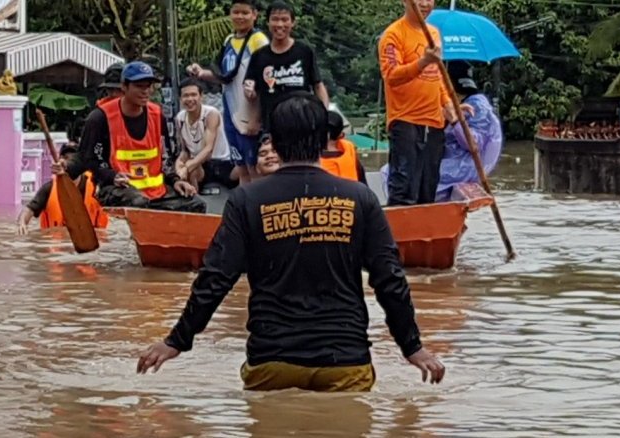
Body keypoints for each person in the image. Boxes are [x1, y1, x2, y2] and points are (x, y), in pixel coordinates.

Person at [137, 92, 445, 392]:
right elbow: (389, 278)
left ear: (277, 142)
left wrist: (177, 340)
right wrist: (412, 346)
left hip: (271, 360)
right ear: (325, 141)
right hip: (345, 361)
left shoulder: (247, 200)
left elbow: (216, 277)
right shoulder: (360, 199)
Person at [59, 61, 205, 213]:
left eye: (148, 86)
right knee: (138, 203)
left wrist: (175, 180)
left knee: (195, 203)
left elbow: (165, 157)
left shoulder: (157, 115)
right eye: (139, 86)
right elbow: (89, 158)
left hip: (156, 192)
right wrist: (111, 176)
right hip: (117, 189)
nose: (145, 91)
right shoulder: (100, 118)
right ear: (124, 87)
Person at [378, 0, 469, 206]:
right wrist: (422, 62)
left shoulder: (434, 34)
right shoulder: (393, 35)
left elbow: (436, 77)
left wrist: (449, 104)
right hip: (405, 119)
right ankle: (401, 235)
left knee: (428, 187)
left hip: (434, 121)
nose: (426, 4)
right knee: (404, 186)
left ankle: (427, 236)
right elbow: (391, 76)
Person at [380, 61, 500, 202]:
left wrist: (455, 121)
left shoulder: (477, 106)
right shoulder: (453, 105)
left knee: (393, 174)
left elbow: (474, 144)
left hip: (463, 167)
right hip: (451, 162)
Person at [187, 0, 269, 185]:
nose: (240, 17)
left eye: (245, 13)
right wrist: (201, 73)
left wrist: (257, 115)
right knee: (242, 168)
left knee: (255, 167)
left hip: (250, 115)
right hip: (231, 114)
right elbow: (225, 76)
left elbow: (266, 76)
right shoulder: (229, 41)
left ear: (254, 15)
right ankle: (245, 209)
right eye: (236, 12)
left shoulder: (259, 40)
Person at [244, 0, 330, 132]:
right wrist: (253, 119)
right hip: (271, 126)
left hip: (302, 122)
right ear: (267, 22)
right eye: (275, 19)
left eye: (285, 20)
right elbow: (254, 93)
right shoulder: (259, 56)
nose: (280, 24)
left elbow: (318, 85)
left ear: (293, 23)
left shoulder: (304, 51)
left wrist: (324, 116)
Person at [17, 144, 108, 234]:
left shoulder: (97, 187)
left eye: (73, 159)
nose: (66, 162)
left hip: (93, 241)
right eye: (64, 157)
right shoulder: (48, 189)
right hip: (56, 244)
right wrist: (22, 223)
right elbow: (29, 209)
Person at [174, 78, 238, 191]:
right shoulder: (180, 118)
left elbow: (208, 150)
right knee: (185, 169)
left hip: (221, 163)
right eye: (186, 96)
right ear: (180, 98)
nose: (190, 99)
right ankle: (193, 200)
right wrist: (179, 164)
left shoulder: (211, 113)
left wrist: (187, 167)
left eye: (194, 95)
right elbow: (185, 151)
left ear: (201, 96)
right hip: (199, 164)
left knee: (191, 167)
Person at [320, 111, 367, 185]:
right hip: (352, 194)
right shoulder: (349, 150)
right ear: (340, 134)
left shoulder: (309, 157)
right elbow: (363, 183)